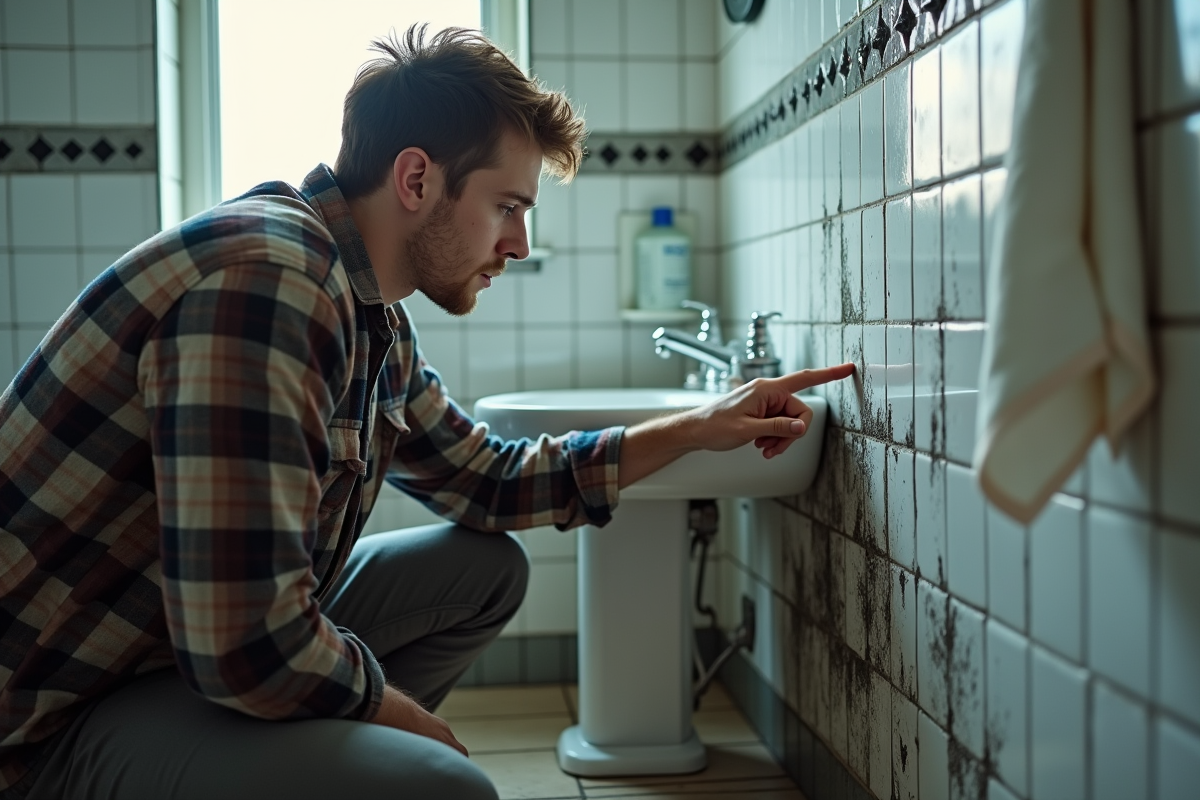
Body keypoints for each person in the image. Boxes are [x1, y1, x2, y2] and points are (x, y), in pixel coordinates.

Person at [0, 24, 853, 800]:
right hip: (52, 719)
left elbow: (485, 480)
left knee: (482, 571)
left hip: (166, 658)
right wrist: (402, 719)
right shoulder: (268, 284)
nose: (518, 243)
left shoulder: (365, 310)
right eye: (508, 206)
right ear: (417, 179)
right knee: (444, 787)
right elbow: (245, 644)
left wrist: (698, 427)